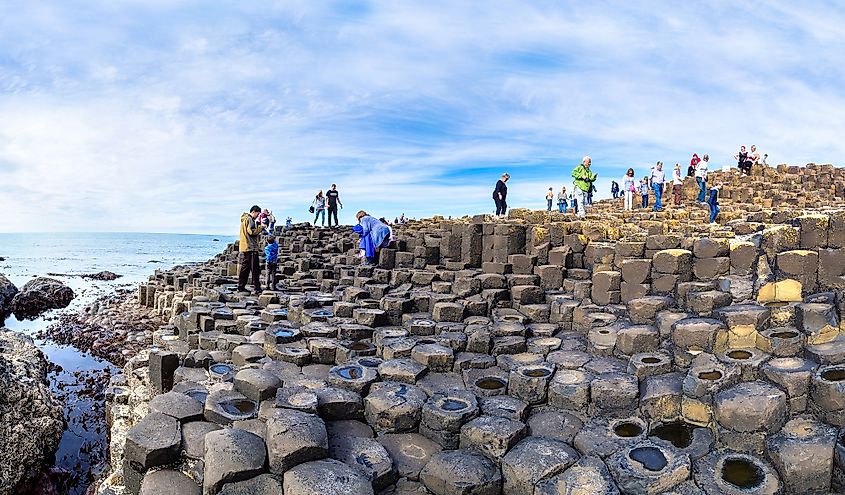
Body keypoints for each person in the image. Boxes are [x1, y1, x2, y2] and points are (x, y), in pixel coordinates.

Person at [237, 205, 264, 293]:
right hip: (251, 247)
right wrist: (261, 227)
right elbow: (252, 232)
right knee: (255, 268)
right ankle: (257, 287)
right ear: (254, 212)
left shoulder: (244, 219)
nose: (258, 216)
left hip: (245, 247)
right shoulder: (250, 219)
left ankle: (241, 286)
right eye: (258, 214)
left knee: (245, 268)